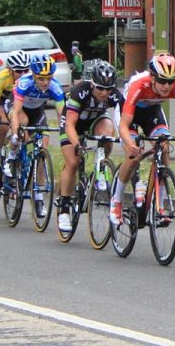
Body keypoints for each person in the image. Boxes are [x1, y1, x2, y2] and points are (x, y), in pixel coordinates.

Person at [112, 52, 175, 225]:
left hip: (152, 111)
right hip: (129, 112)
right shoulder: (139, 85)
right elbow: (123, 125)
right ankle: (116, 201)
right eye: (162, 81)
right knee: (133, 156)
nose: (167, 86)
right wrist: (130, 144)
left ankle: (159, 204)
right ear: (152, 77)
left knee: (164, 148)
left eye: (171, 81)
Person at [57, 59, 124, 233]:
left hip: (95, 119)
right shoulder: (80, 91)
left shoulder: (114, 95)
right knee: (72, 162)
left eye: (108, 89)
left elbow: (124, 119)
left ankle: (101, 168)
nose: (104, 93)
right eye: (100, 88)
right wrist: (77, 144)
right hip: (73, 122)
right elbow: (70, 125)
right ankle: (64, 209)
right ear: (93, 85)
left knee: (108, 135)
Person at [7, 54, 66, 218]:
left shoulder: (55, 87)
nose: (45, 82)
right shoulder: (25, 83)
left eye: (48, 78)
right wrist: (14, 134)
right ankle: (11, 155)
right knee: (21, 128)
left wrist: (65, 132)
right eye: (41, 79)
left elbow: (62, 113)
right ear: (33, 75)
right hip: (18, 109)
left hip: (37, 112)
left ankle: (39, 196)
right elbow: (17, 112)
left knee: (43, 147)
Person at [0, 50, 30, 182]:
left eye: (25, 70)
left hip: (20, 105)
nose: (22, 74)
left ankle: (18, 164)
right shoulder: (3, 77)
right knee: (2, 127)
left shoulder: (31, 78)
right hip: (3, 104)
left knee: (25, 134)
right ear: (10, 70)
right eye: (18, 71)